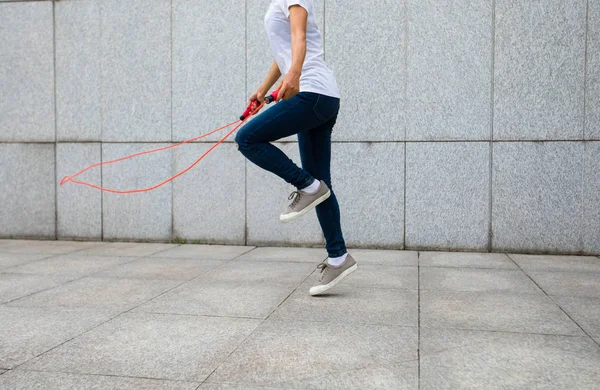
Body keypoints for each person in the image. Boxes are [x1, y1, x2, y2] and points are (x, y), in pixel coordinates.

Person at [235, 0, 357, 296]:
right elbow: (286, 52)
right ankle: (338, 257)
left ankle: (305, 184)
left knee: (247, 139)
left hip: (312, 92)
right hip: (319, 96)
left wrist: (294, 76)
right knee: (321, 185)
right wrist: (264, 88)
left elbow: (299, 38)